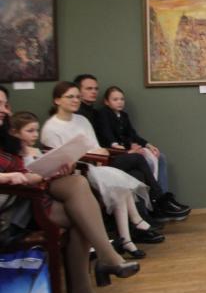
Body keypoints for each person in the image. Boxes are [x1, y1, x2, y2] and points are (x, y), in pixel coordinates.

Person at [0, 85, 139, 293]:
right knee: (79, 212)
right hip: (11, 210)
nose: (4, 110)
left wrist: (49, 168)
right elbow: (14, 177)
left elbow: (23, 171)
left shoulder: (6, 137)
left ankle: (97, 274)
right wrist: (10, 177)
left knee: (76, 185)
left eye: (5, 104)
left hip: (27, 196)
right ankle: (101, 267)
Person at [10, 111, 156, 259]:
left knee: (119, 185)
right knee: (111, 183)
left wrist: (62, 168)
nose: (35, 135)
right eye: (30, 131)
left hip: (58, 183)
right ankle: (121, 237)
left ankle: (125, 239)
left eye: (36, 130)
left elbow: (53, 170)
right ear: (15, 132)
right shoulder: (16, 156)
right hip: (41, 196)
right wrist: (47, 174)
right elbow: (26, 178)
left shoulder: (37, 150)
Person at [41, 81, 188, 226]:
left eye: (77, 97)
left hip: (98, 161)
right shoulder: (51, 127)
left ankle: (143, 220)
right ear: (57, 100)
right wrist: (103, 153)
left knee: (137, 173)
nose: (75, 100)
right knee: (136, 158)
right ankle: (159, 200)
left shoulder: (82, 120)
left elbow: (96, 146)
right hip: (81, 170)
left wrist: (102, 152)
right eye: (70, 97)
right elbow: (59, 160)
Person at [95, 86, 183, 204]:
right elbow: (107, 135)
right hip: (114, 153)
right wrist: (121, 148)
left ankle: (164, 195)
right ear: (107, 102)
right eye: (115, 99)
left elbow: (133, 135)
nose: (120, 102)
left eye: (122, 99)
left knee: (160, 157)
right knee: (142, 159)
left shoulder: (124, 116)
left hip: (127, 149)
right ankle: (156, 196)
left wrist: (148, 145)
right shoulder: (103, 113)